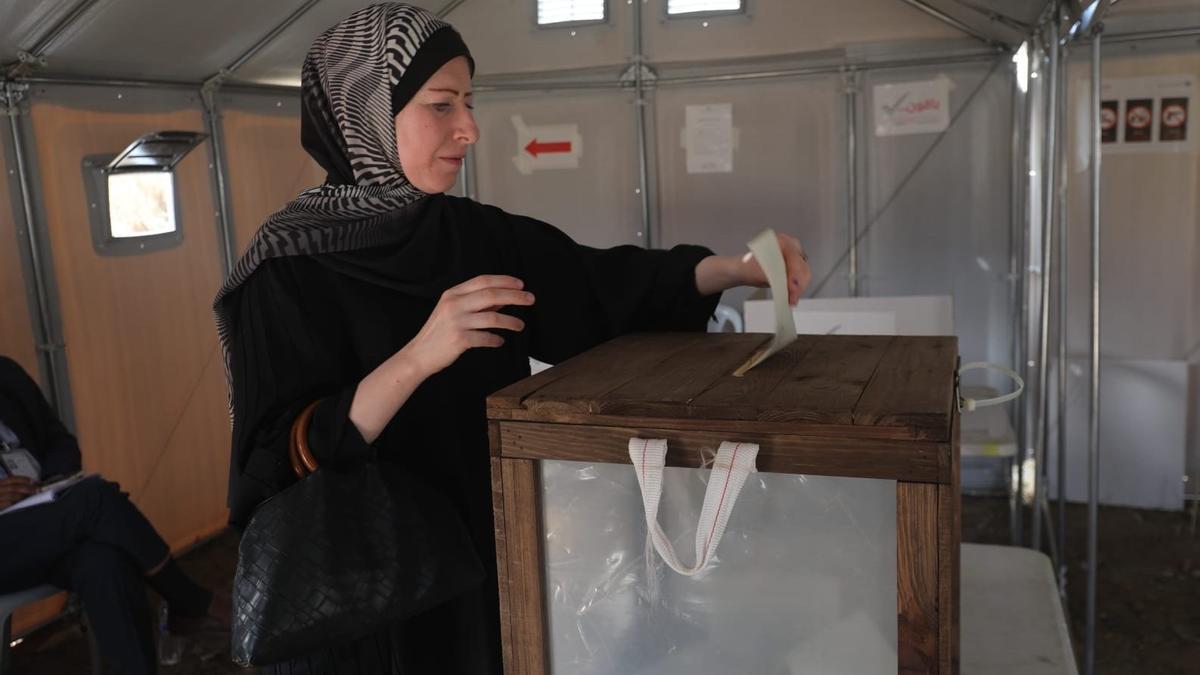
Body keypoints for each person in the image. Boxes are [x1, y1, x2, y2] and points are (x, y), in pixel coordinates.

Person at [212, 3, 811, 673]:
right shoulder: (288, 264)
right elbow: (273, 460)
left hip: (481, 556)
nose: (469, 128)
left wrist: (733, 269)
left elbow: (600, 284)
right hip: (364, 594)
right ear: (366, 113)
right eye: (441, 105)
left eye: (470, 102)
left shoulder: (471, 235)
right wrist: (417, 356)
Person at [0, 356, 228, 675]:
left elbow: (59, 441)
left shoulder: (6, 373)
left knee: (103, 560)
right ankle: (189, 600)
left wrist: (47, 484)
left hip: (41, 515)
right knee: (97, 499)